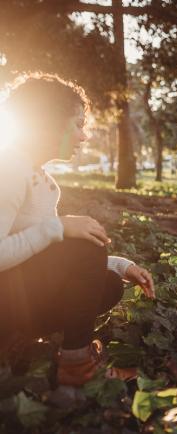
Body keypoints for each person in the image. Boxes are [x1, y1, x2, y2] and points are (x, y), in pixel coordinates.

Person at [0, 73, 155, 387]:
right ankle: (75, 365)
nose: (84, 136)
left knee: (109, 284)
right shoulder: (10, 167)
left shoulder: (39, 179)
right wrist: (58, 227)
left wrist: (123, 266)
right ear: (49, 122)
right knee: (86, 246)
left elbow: (49, 258)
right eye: (78, 124)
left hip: (16, 295)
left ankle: (15, 341)